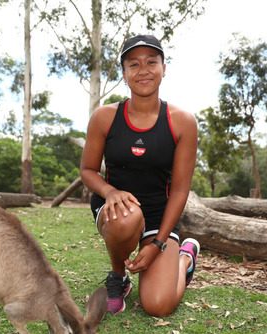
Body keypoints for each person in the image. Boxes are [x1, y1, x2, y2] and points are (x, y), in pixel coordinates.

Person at [80, 34, 200, 317]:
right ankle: (118, 278)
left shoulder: (183, 122)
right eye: (133, 64)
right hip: (115, 209)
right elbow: (87, 170)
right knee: (126, 215)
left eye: (151, 62)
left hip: (160, 214)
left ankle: (184, 259)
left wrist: (158, 244)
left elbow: (180, 191)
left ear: (163, 68)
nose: (143, 70)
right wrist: (110, 192)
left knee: (158, 305)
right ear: (124, 74)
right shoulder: (104, 117)